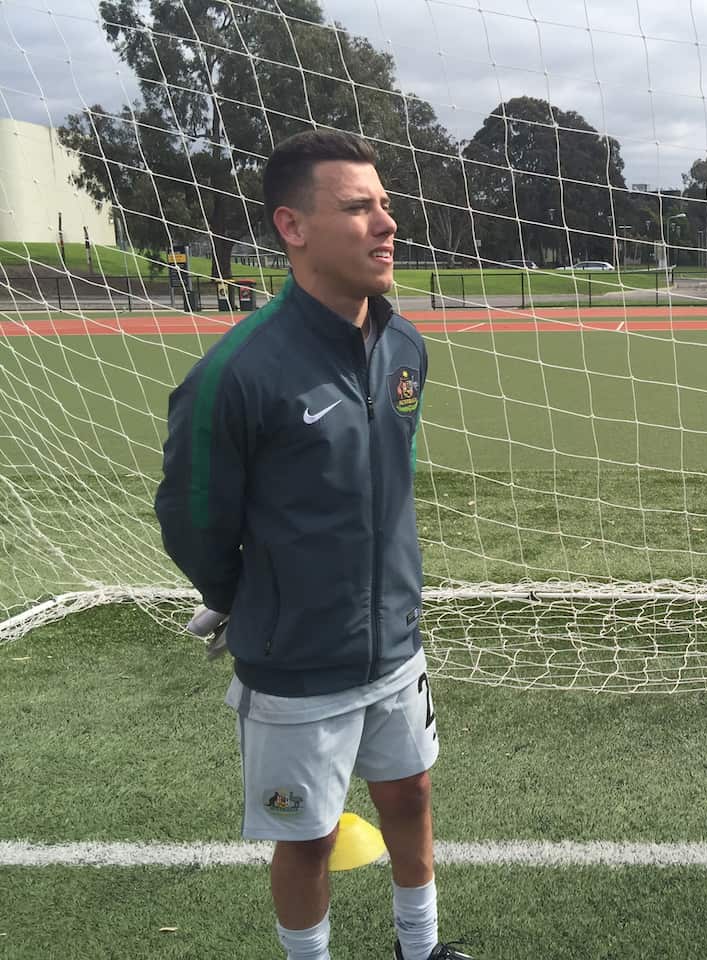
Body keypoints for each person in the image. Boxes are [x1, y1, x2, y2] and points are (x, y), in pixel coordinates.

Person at [155, 130, 471, 960]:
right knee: (308, 836)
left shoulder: (405, 346)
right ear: (292, 227)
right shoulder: (237, 373)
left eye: (385, 205)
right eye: (358, 207)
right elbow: (192, 521)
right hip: (295, 661)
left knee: (409, 793)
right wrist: (251, 597)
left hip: (396, 642)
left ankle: (421, 947)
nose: (386, 223)